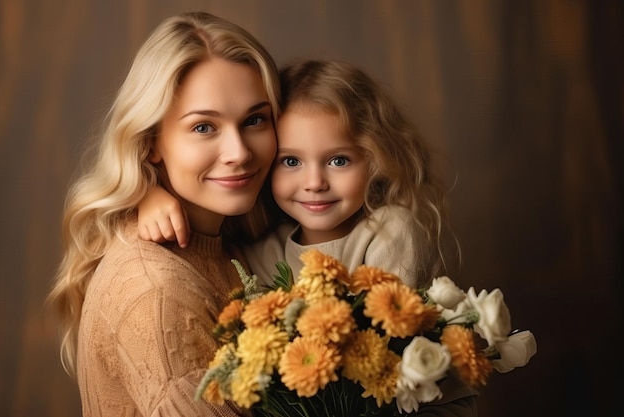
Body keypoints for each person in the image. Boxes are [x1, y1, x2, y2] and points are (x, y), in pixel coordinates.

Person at [138, 59, 477, 416]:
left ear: (374, 160)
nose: (315, 182)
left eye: (339, 161)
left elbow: (383, 352)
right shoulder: (263, 251)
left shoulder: (391, 232)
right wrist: (150, 194)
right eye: (291, 162)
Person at [47, 12, 280, 417]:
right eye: (204, 127)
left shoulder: (239, 242)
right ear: (152, 140)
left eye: (255, 120)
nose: (240, 152)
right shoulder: (157, 293)